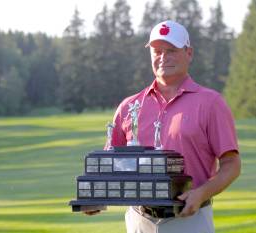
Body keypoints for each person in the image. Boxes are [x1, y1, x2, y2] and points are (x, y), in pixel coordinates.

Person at [85, 20, 241, 233]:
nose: (163, 57)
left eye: (171, 50)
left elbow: (232, 164)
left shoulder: (211, 103)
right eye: (157, 51)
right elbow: (111, 164)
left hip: (189, 219)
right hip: (140, 220)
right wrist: (96, 193)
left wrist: (201, 193)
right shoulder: (129, 106)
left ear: (189, 53)